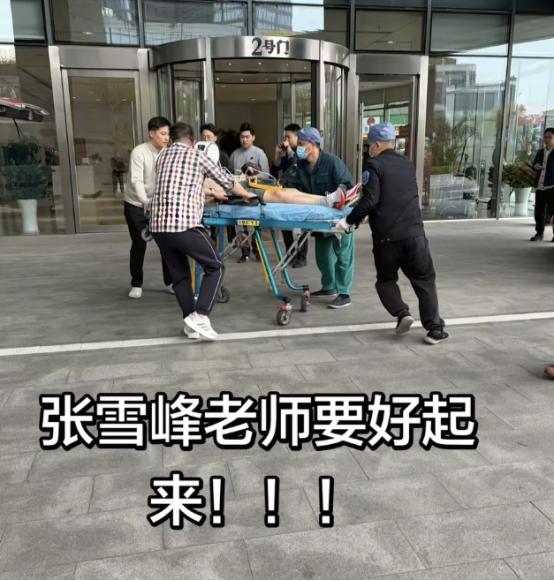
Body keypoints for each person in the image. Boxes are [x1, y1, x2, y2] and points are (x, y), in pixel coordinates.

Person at [338, 122, 448, 345]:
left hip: (386, 239)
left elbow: (370, 199)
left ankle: (402, 312)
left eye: (369, 145)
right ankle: (435, 329)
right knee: (424, 280)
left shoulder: (374, 165)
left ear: (377, 145)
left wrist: (349, 220)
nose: (369, 149)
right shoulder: (407, 164)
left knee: (386, 281)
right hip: (414, 235)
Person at [150, 123, 256, 341]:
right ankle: (201, 315)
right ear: (192, 142)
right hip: (184, 226)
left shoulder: (161, 157)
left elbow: (178, 186)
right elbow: (227, 181)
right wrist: (246, 194)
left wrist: (207, 194)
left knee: (180, 277)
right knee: (215, 266)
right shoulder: (197, 156)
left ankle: (191, 324)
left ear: (172, 139)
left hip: (159, 228)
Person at [281, 127, 357, 309]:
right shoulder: (300, 166)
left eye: (301, 144)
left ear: (313, 144)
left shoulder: (332, 162)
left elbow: (349, 186)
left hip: (339, 218)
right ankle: (329, 287)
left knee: (343, 255)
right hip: (319, 220)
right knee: (322, 257)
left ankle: (344, 293)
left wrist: (339, 200)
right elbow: (286, 184)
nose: (298, 148)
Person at [124, 116, 173, 299]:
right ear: (152, 133)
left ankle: (170, 282)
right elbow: (136, 180)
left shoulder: (169, 152)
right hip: (136, 204)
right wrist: (145, 200)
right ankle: (136, 283)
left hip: (159, 204)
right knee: (139, 243)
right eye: (163, 134)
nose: (166, 137)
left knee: (167, 244)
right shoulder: (139, 152)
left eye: (168, 134)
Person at [229, 123, 270, 262]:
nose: (244, 140)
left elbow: (266, 175)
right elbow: (229, 175)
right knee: (241, 224)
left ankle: (258, 251)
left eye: (247, 137)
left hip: (255, 193)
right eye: (242, 137)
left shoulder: (259, 153)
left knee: (256, 223)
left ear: (253, 137)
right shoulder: (235, 154)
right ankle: (244, 252)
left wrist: (253, 174)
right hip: (240, 193)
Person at [271, 123, 308, 268]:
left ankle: (302, 256)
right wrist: (277, 155)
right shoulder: (286, 153)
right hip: (285, 192)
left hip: (299, 192)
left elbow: (296, 165)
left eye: (288, 137)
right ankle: (290, 254)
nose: (285, 140)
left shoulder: (302, 151)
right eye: (284, 137)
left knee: (301, 225)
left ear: (297, 137)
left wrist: (290, 151)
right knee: (285, 224)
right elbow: (274, 171)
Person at [530, 127, 554, 242]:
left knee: (553, 212)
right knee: (539, 212)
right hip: (540, 186)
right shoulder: (540, 152)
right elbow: (534, 164)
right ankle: (539, 233)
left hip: (552, 186)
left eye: (550, 137)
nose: (547, 139)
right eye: (545, 137)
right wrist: (535, 166)